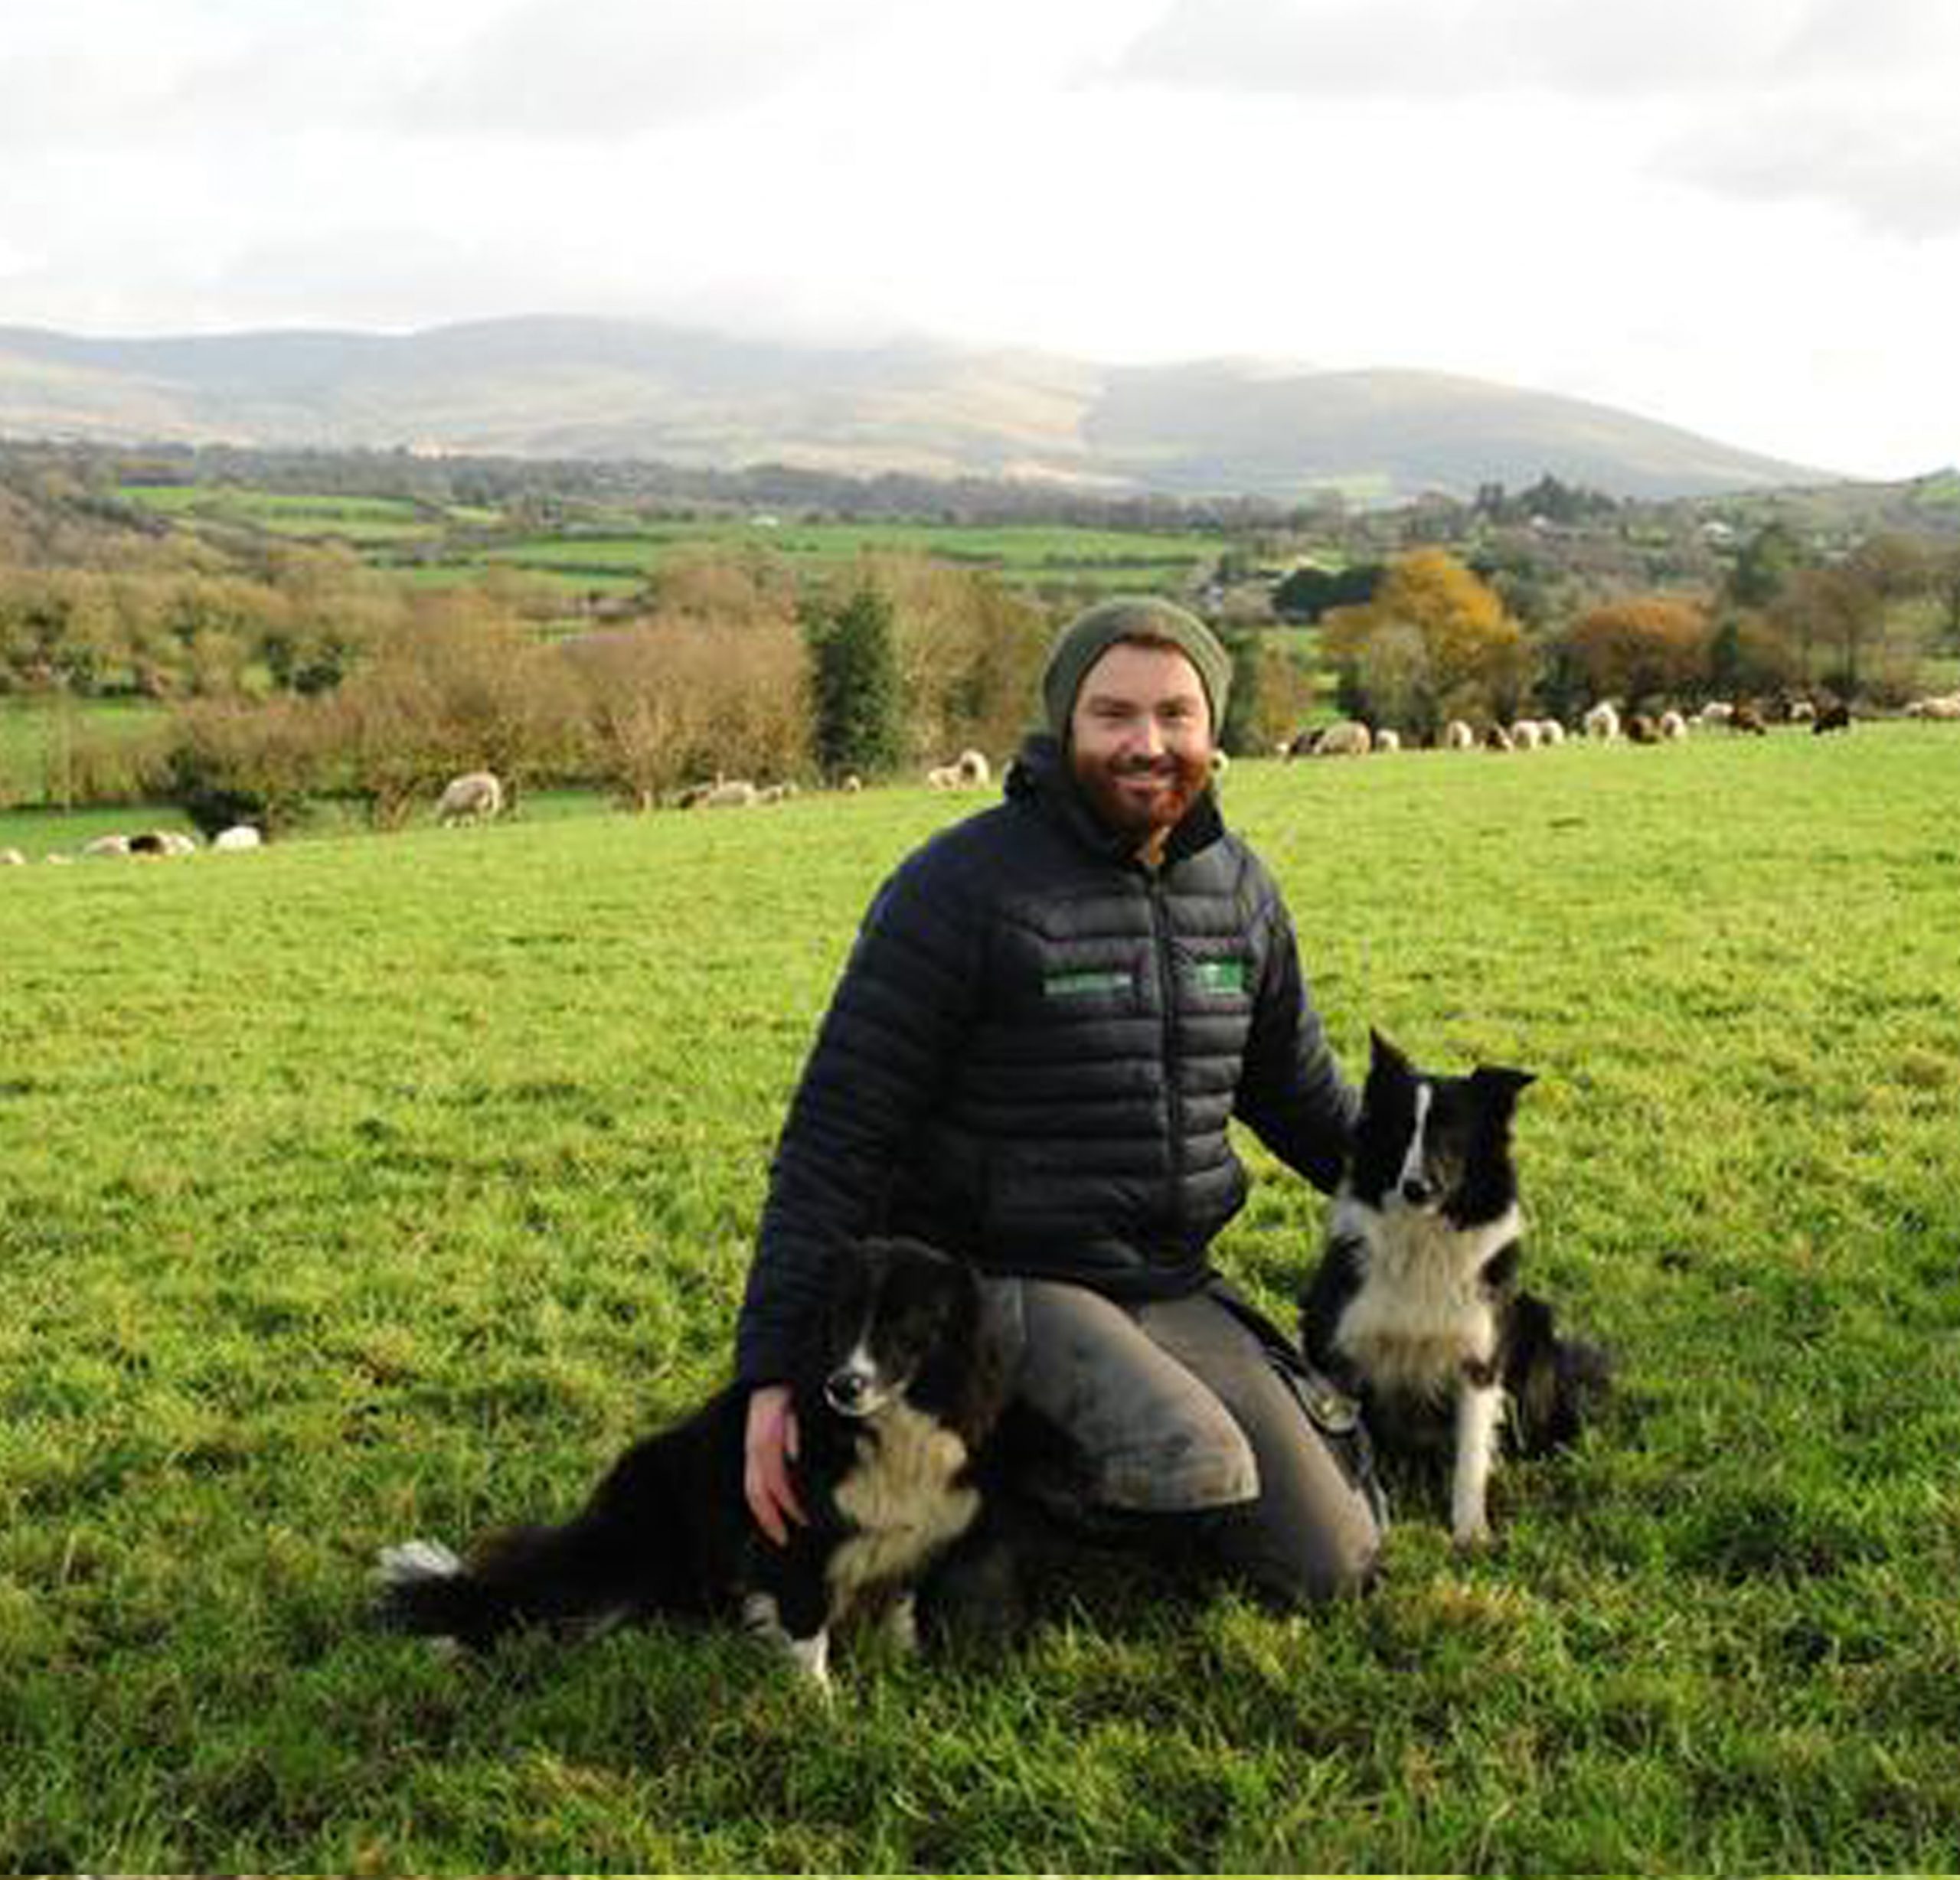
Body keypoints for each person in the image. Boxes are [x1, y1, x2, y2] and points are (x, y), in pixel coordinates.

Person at [735, 596, 1382, 1614]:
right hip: (1001, 1281)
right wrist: (770, 1374)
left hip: (1167, 1280)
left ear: (1214, 728)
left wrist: (1437, 1200)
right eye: (1114, 714)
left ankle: (1044, 1488)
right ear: (1064, 725)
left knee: (1330, 1563)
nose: (1148, 744)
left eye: (1177, 715)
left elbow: (1300, 1094)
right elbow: (837, 1138)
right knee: (1192, 1461)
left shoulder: (1239, 891)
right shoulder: (958, 889)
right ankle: (984, 1507)